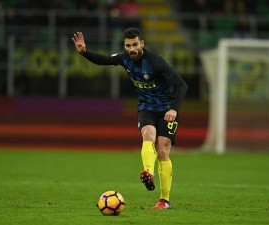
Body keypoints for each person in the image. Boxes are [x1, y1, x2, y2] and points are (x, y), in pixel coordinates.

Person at [71, 28, 188, 209]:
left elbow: (182, 85)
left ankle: (164, 200)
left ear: (142, 43)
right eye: (128, 45)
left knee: (163, 149)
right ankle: (148, 173)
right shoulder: (124, 58)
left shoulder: (156, 62)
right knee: (148, 134)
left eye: (134, 44)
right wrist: (84, 52)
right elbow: (103, 60)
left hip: (167, 109)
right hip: (146, 108)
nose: (131, 49)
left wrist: (174, 108)